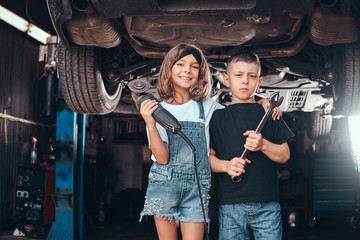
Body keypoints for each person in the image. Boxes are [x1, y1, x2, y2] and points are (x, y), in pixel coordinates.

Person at [138, 44, 281, 240]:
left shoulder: (208, 106)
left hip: (196, 186)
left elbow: (240, 106)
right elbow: (162, 158)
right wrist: (150, 123)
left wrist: (262, 101)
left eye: (194, 66)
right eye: (180, 64)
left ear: (200, 72)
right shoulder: (157, 110)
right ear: (168, 69)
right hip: (165, 184)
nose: (187, 70)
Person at [209, 51, 294, 240]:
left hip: (267, 205)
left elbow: (284, 155)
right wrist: (226, 166)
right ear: (226, 79)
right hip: (230, 206)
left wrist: (263, 145)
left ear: (259, 81)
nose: (245, 81)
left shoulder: (270, 113)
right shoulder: (216, 117)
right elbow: (208, 159)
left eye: (251, 76)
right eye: (238, 75)